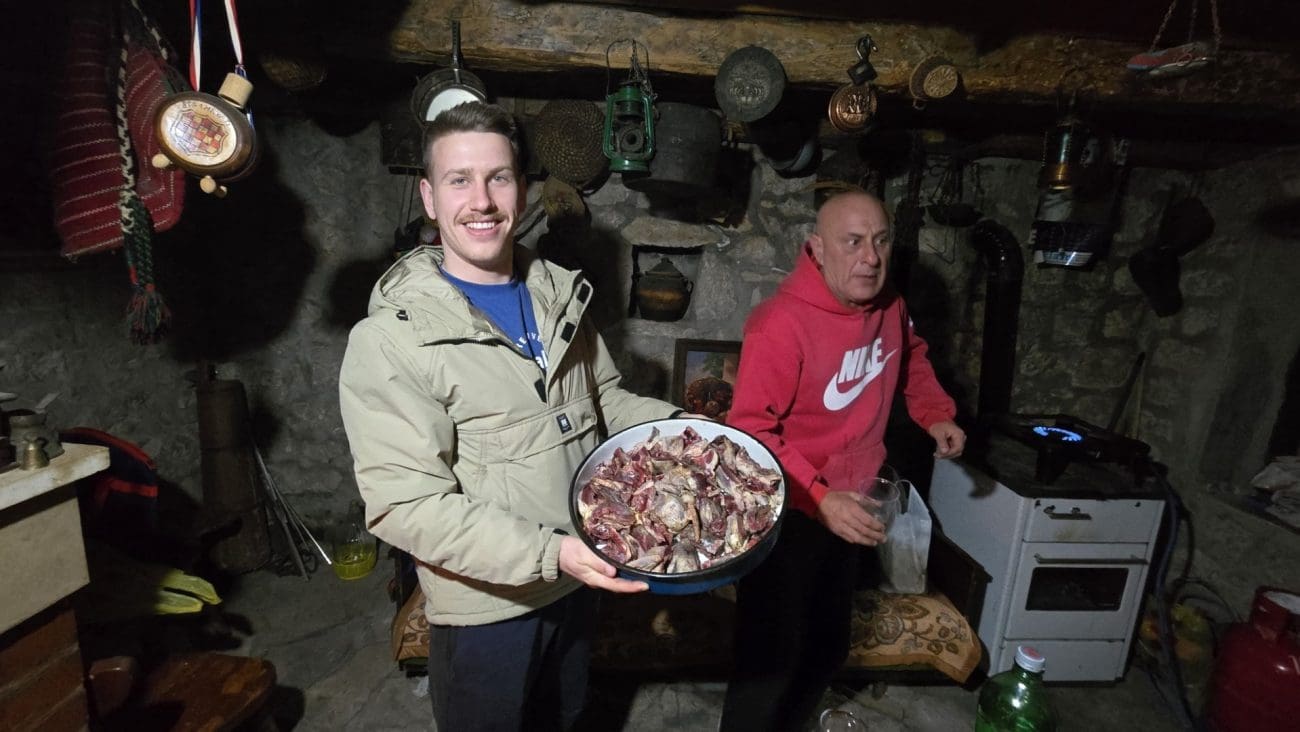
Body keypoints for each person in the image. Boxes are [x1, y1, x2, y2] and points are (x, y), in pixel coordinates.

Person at [338, 102, 687, 731]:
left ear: (522, 189)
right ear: (429, 197)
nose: (482, 200)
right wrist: (552, 553)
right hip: (487, 608)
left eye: (498, 177)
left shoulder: (557, 296)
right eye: (459, 180)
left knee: (567, 717)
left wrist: (690, 433)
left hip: (578, 576)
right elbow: (406, 505)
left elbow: (604, 403)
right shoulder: (391, 340)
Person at [719, 189, 966, 732]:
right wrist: (818, 496)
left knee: (827, 646)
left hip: (855, 504)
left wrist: (934, 414)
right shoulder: (778, 323)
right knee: (769, 663)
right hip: (790, 511)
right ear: (817, 248)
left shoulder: (891, 306)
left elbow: (912, 358)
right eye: (852, 242)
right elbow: (750, 430)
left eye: (880, 241)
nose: (871, 258)